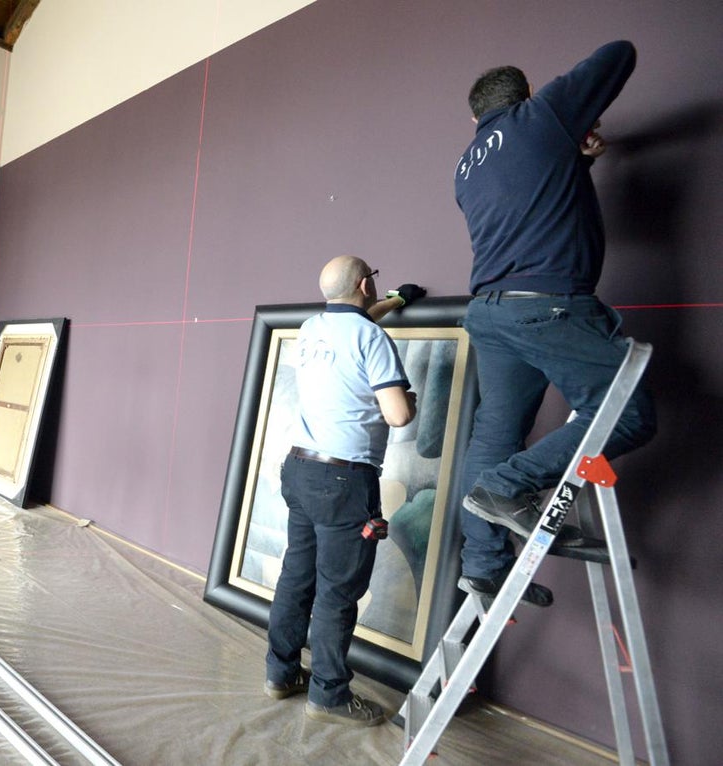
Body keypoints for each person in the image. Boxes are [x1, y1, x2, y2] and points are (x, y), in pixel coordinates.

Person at [454, 41, 657, 607]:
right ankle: (506, 488)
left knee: (494, 434)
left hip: (492, 310)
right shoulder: (540, 116)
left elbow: (533, 200)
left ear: (475, 118)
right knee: (631, 413)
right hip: (546, 304)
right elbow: (620, 54)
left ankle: (483, 564)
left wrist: (579, 155)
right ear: (522, 96)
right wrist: (567, 121)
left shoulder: (466, 167)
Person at [264, 256, 422, 726]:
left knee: (297, 577)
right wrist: (408, 398)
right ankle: (329, 695)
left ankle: (280, 674)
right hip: (344, 481)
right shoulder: (372, 338)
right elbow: (398, 416)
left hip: (299, 470)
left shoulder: (312, 327)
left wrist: (397, 300)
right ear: (364, 284)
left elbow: (352, 324)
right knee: (337, 591)